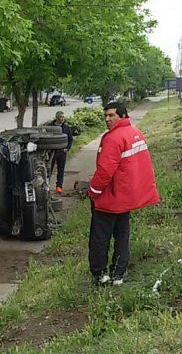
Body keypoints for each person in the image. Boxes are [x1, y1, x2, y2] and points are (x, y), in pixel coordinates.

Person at [87, 102, 159, 286]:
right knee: (122, 235)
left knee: (100, 237)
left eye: (111, 115)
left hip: (110, 198)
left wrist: (93, 191)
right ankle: (119, 273)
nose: (107, 119)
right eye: (105, 116)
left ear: (123, 115)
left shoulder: (113, 138)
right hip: (126, 197)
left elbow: (105, 171)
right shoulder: (135, 133)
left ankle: (100, 274)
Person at [49, 111, 73, 194]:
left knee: (61, 169)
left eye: (63, 117)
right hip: (52, 151)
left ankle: (59, 186)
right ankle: (46, 185)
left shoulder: (66, 128)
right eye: (60, 117)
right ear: (56, 117)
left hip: (62, 151)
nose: (62, 119)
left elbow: (70, 139)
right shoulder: (50, 127)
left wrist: (67, 148)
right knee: (49, 168)